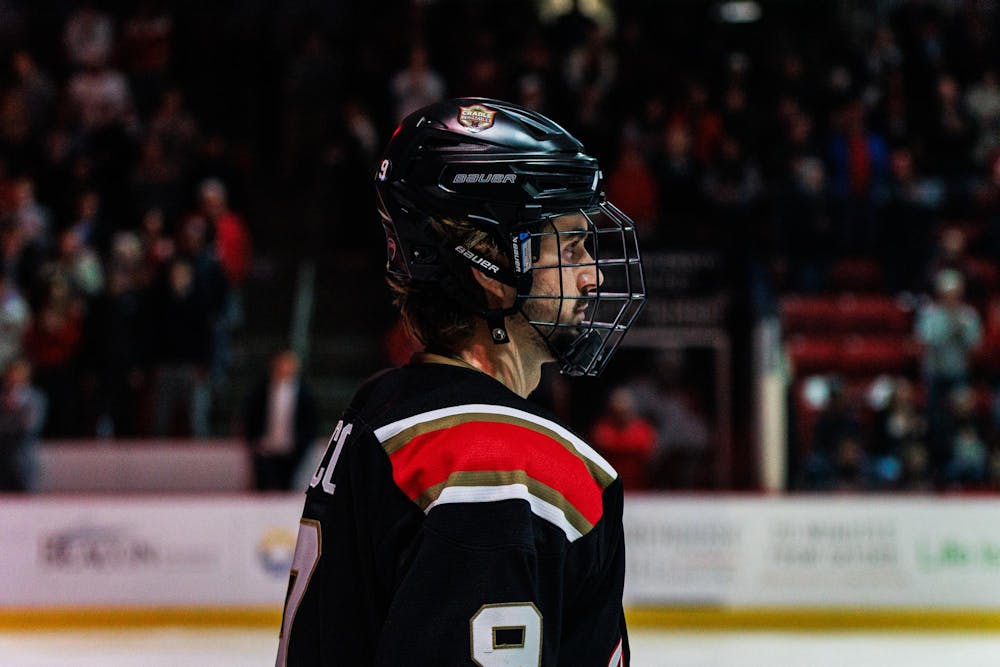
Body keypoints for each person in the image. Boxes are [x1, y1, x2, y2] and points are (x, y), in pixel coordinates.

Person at [277, 98, 646, 666]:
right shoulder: (506, 460)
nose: (592, 275)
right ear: (489, 268)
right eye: (570, 248)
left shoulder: (380, 407)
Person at [243, 349, 318, 491]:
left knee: (287, 487)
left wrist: (301, 445)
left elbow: (310, 423)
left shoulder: (304, 393)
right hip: (265, 449)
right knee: (263, 487)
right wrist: (255, 442)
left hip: (292, 451)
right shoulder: (261, 390)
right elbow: (250, 416)